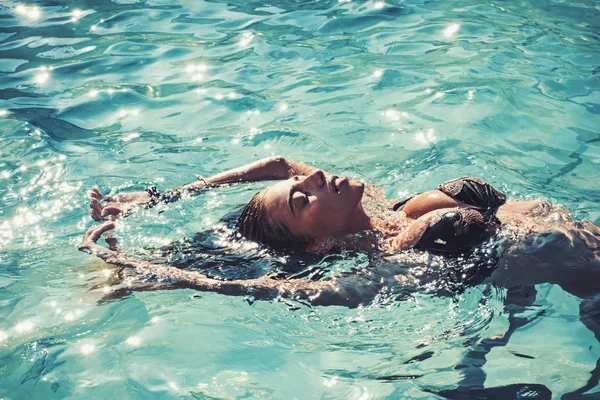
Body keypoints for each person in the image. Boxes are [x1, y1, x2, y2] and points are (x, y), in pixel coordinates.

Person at [80, 156, 600, 307]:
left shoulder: (372, 200)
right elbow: (302, 290)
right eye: (303, 199)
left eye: (303, 183)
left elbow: (280, 162)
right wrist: (149, 271)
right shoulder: (392, 264)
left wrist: (166, 195)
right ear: (317, 243)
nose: (310, 179)